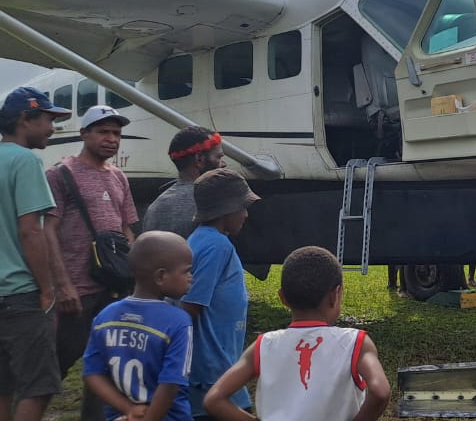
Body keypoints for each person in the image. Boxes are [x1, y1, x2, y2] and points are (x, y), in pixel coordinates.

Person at [0, 87, 76, 421]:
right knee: (38, 387)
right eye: (47, 119)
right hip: (19, 294)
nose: (52, 128)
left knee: (1, 385)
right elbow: (31, 230)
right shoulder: (26, 161)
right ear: (26, 119)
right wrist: (47, 289)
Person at [204, 247, 390, 421]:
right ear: (335, 295)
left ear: (283, 298)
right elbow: (380, 391)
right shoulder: (354, 342)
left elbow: (214, 399)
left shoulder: (264, 345)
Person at [45, 105, 139, 421]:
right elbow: (49, 231)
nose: (111, 139)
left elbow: (127, 228)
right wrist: (63, 285)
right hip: (77, 287)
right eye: (103, 132)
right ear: (84, 133)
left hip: (114, 286)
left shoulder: (119, 177)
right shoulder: (60, 174)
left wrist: (136, 276)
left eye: (116, 133)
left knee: (109, 362)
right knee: (55, 361)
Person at [83, 232, 194, 421]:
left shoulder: (106, 316)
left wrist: (128, 409)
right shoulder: (178, 322)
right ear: (161, 276)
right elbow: (171, 384)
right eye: (186, 271)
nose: (190, 277)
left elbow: (92, 373)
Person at [182, 169, 260, 419]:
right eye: (242, 207)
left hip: (215, 368)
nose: (246, 214)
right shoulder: (216, 246)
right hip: (213, 373)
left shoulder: (201, 239)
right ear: (226, 209)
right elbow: (189, 308)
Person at [141, 127, 226, 238]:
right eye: (218, 157)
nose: (223, 164)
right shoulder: (211, 203)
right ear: (199, 159)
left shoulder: (154, 208)